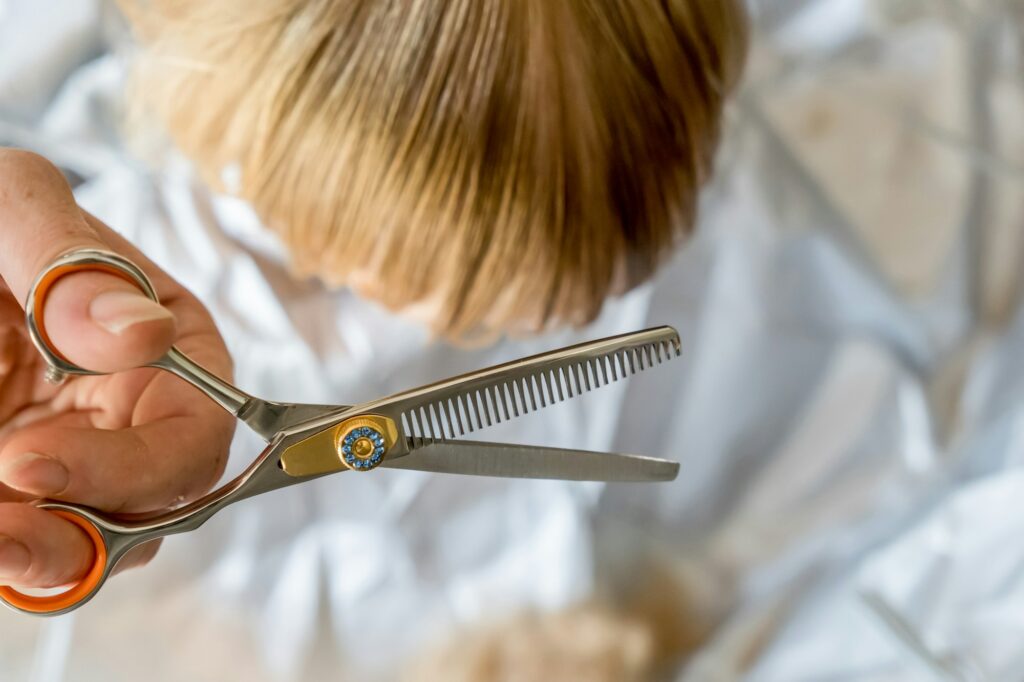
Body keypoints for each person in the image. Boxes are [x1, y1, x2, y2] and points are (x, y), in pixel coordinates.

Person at [0, 0, 745, 677]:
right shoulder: (118, 267)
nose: (438, 328)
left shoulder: (671, 190)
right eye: (402, 286)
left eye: (489, 317)